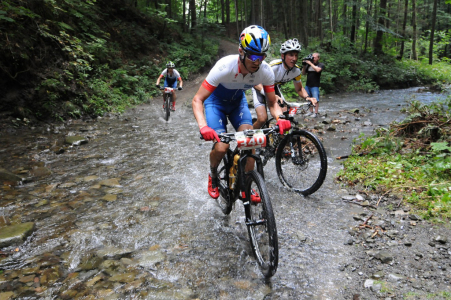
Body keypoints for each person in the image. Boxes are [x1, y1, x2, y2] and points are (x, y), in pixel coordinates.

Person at [192, 25, 292, 199]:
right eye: (253, 56)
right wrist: (203, 127)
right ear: (241, 51)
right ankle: (213, 174)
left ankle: (246, 183)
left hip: (238, 104)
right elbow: (197, 99)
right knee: (222, 147)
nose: (257, 61)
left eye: (261, 56)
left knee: (250, 144)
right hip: (216, 104)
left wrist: (279, 117)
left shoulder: (265, 71)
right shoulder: (224, 67)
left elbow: (271, 101)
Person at [252, 38, 317, 129]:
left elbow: (299, 89)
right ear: (283, 56)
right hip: (260, 87)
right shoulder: (273, 67)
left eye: (296, 55)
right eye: (291, 55)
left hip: (274, 88)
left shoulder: (296, 71)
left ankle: (281, 140)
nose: (294, 58)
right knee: (262, 119)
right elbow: (255, 83)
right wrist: (271, 95)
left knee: (284, 116)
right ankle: (249, 136)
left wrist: (308, 97)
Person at [302, 53, 324, 118]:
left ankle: (316, 113)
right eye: (312, 57)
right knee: (309, 99)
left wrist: (310, 63)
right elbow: (303, 73)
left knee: (315, 99)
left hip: (315, 85)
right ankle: (310, 111)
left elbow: (317, 70)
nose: (313, 58)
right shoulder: (308, 65)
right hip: (308, 85)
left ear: (318, 58)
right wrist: (304, 65)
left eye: (315, 57)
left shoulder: (320, 65)